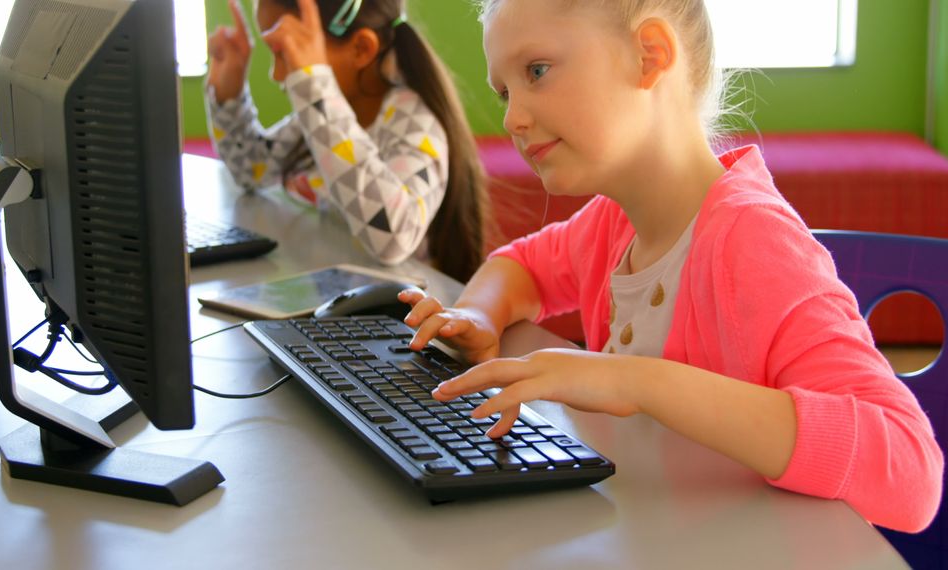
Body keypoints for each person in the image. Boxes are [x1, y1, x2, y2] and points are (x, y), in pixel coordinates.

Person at [399, 0, 943, 533]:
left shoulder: (751, 242)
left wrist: (640, 383)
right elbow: (522, 267)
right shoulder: (616, 221)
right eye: (504, 92)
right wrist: (474, 315)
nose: (513, 118)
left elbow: (912, 472)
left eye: (536, 71)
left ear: (650, 55)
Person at [206, 0, 488, 282]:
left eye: (286, 53)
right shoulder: (330, 111)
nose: (277, 75)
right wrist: (228, 93)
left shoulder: (413, 121)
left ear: (361, 49)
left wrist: (313, 87)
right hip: (344, 305)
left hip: (403, 315)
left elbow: (393, 235)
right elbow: (254, 170)